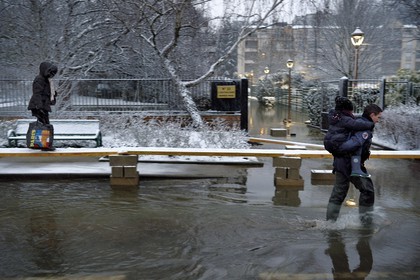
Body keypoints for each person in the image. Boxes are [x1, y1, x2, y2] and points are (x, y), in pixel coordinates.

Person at [326, 102, 383, 225]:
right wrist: (356, 164)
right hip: (351, 164)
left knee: (339, 192)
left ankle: (330, 223)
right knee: (367, 191)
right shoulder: (364, 128)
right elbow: (352, 144)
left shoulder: (358, 123)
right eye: (378, 117)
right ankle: (366, 223)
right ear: (372, 115)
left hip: (341, 162)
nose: (378, 120)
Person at [324, 96, 374, 177]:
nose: (352, 113)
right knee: (357, 144)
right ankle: (356, 169)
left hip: (330, 143)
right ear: (347, 110)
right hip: (338, 144)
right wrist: (371, 124)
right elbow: (356, 125)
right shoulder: (345, 119)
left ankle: (338, 167)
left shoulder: (336, 116)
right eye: (351, 111)